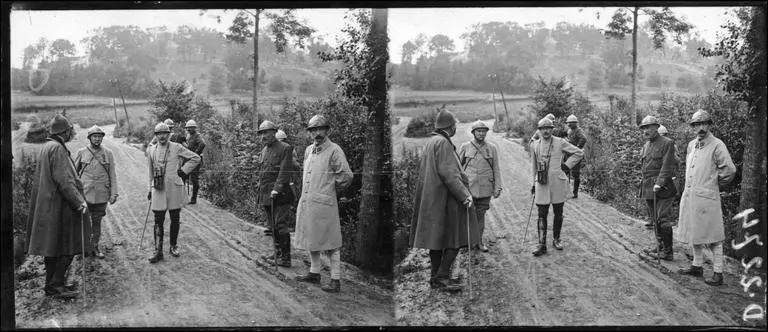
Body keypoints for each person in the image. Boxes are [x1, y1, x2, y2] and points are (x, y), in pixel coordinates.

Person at [410, 109, 480, 292]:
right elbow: (449, 175)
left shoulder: (431, 141)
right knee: (455, 238)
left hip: (432, 199)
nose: (456, 127)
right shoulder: (443, 143)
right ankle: (441, 277)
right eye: (455, 125)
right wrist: (465, 196)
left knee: (436, 239)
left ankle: (435, 277)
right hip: (444, 199)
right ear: (450, 127)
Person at [26, 113, 91, 299]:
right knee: (68, 246)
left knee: (52, 248)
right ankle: (56, 286)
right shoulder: (58, 149)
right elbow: (64, 181)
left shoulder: (47, 146)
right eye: (70, 130)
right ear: (65, 132)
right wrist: (79, 203)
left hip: (48, 207)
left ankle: (53, 285)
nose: (71, 133)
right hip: (59, 207)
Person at [294, 115, 353, 293]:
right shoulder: (308, 150)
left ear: (327, 130)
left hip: (325, 204)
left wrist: (329, 189)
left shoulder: (334, 150)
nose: (316, 133)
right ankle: (314, 273)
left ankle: (335, 280)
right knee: (311, 238)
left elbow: (346, 176)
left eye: (320, 129)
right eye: (313, 130)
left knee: (331, 242)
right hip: (307, 202)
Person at [677, 110, 736, 286]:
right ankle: (697, 265)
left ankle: (718, 272)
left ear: (709, 125)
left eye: (704, 124)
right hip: (690, 197)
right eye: (697, 124)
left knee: (713, 236)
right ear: (693, 127)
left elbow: (730, 170)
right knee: (694, 232)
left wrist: (714, 183)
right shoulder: (691, 145)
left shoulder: (717, 145)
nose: (700, 128)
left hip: (707, 198)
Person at [145, 123, 201, 263]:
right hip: (158, 188)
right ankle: (158, 251)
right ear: (155, 135)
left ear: (169, 134)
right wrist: (150, 189)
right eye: (158, 134)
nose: (162, 136)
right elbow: (150, 172)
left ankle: (173, 246)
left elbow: (196, 158)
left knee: (175, 218)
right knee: (158, 220)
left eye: (165, 133)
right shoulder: (151, 150)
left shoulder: (177, 147)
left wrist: (183, 171)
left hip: (174, 189)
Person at [529, 117, 583, 256]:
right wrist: (533, 183)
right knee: (542, 213)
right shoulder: (534, 145)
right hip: (541, 183)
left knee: (558, 212)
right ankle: (542, 244)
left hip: (558, 182)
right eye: (542, 129)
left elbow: (579, 152)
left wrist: (566, 166)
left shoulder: (560, 142)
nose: (545, 131)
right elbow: (534, 167)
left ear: (552, 129)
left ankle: (557, 239)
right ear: (539, 130)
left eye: (548, 128)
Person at [74, 125, 119, 259]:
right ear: (89, 138)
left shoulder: (108, 153)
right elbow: (74, 175)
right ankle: (83, 248)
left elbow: (112, 175)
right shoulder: (81, 152)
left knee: (97, 222)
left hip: (101, 194)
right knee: (83, 222)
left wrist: (113, 193)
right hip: (85, 195)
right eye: (94, 136)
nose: (97, 139)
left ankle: (95, 246)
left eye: (100, 136)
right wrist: (75, 195)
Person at [637, 116, 678, 261]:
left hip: (663, 188)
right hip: (648, 187)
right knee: (654, 219)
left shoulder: (667, 143)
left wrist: (659, 183)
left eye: (649, 127)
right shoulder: (646, 146)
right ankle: (659, 246)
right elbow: (644, 168)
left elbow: (667, 165)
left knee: (663, 219)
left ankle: (668, 252)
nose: (646, 130)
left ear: (657, 127)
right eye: (644, 128)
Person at [256, 120, 295, 267]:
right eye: (261, 133)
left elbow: (284, 172)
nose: (263, 136)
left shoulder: (285, 148)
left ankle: (285, 258)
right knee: (272, 226)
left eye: (266, 132)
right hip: (266, 194)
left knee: (280, 225)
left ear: (274, 133)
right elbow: (263, 173)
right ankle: (277, 253)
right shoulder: (264, 150)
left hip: (281, 195)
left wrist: (277, 189)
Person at [458, 120, 502, 253]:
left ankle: (479, 241)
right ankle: (467, 241)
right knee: (468, 215)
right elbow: (459, 170)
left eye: (484, 131)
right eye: (478, 131)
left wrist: (497, 187)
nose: (481, 133)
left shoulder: (492, 148)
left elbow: (496, 169)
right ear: (473, 133)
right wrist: (459, 188)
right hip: (469, 189)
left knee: (480, 215)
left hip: (485, 189)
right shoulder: (465, 147)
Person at [564, 115, 587, 198]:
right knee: (564, 172)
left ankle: (575, 193)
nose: (569, 124)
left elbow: (583, 139)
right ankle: (564, 191)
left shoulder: (578, 130)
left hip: (576, 156)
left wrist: (578, 148)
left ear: (575, 123)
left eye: (571, 123)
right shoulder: (569, 130)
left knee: (576, 174)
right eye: (568, 123)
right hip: (568, 154)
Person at [184, 120, 205, 204]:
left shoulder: (197, 136)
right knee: (183, 176)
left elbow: (203, 144)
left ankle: (194, 199)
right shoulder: (188, 135)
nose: (188, 129)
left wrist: (196, 154)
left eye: (190, 128)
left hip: (195, 161)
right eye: (187, 128)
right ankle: (183, 197)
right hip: (188, 160)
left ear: (194, 128)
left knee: (194, 179)